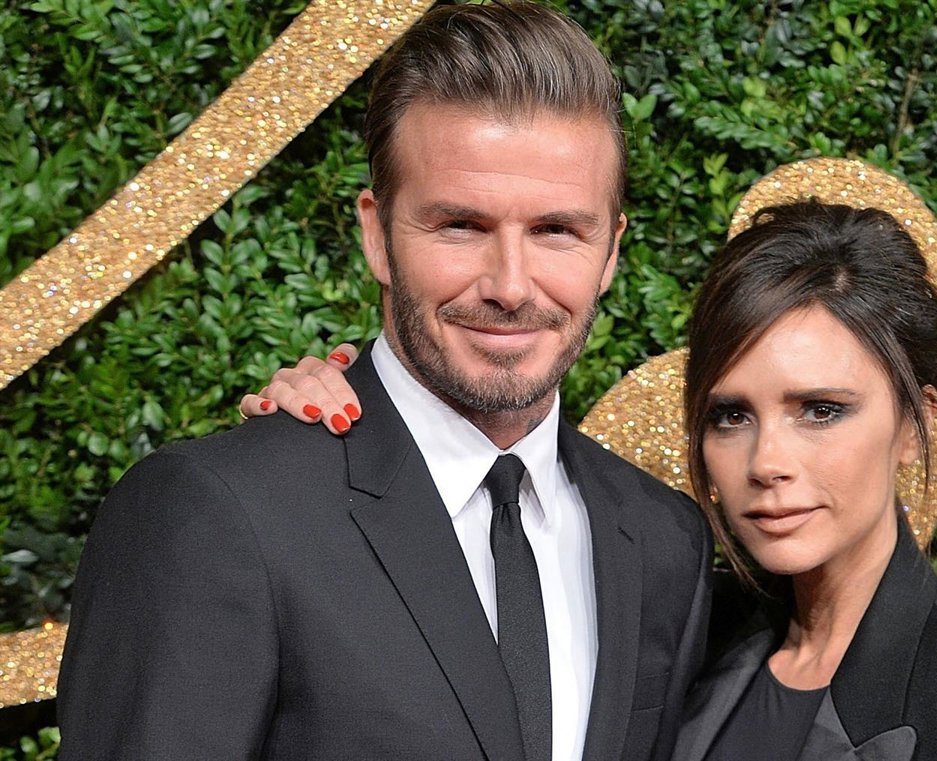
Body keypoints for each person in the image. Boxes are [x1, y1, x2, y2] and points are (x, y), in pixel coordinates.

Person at [56, 4, 711, 760]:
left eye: (556, 230)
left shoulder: (663, 541)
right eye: (460, 225)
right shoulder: (219, 514)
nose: (510, 285)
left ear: (611, 251)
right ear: (376, 233)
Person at [253, 200, 937, 760]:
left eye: (821, 410)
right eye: (731, 415)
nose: (767, 461)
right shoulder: (688, 619)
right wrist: (360, 424)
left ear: (916, 422)